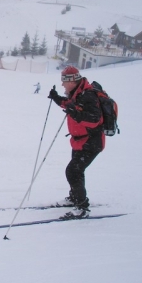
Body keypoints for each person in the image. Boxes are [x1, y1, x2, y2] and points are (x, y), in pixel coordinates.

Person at [48, 66, 104, 219]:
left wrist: (76, 114)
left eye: (64, 81)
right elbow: (70, 105)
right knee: (77, 172)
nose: (62, 84)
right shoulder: (77, 93)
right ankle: (75, 198)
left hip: (91, 142)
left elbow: (95, 119)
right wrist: (56, 98)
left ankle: (82, 207)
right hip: (79, 141)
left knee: (73, 171)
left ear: (72, 81)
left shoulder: (88, 95)